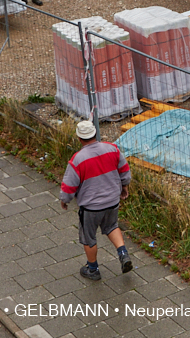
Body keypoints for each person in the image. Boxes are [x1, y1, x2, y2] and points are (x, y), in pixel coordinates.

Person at [60, 119, 133, 280]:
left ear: (79, 138)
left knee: (89, 237)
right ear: (95, 134)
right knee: (112, 226)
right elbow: (124, 170)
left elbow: (69, 184)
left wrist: (65, 200)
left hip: (91, 207)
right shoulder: (112, 149)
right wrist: (124, 186)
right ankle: (123, 253)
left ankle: (93, 269)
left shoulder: (77, 159)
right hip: (112, 201)